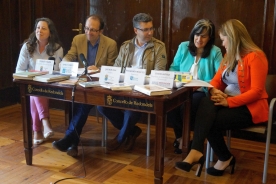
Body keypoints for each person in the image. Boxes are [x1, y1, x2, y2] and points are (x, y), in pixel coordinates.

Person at [175, 19, 268, 177]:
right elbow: (216, 81)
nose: (223, 44)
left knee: (208, 120)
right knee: (206, 102)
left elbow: (257, 92)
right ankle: (198, 151)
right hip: (227, 101)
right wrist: (213, 91)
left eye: (224, 39)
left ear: (233, 38)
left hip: (249, 108)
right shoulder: (229, 56)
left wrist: (228, 101)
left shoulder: (256, 57)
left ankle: (222, 156)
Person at [97, 13, 167, 152]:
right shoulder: (126, 46)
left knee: (131, 107)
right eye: (145, 29)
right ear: (136, 30)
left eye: (151, 29)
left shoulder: (158, 47)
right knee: (102, 105)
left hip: (143, 89)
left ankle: (120, 138)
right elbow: (116, 69)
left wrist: (139, 80)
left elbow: (159, 73)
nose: (150, 32)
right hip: (123, 87)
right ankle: (132, 131)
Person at [52, 14, 118, 157]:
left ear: (101, 31)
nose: (88, 32)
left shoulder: (110, 44)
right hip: (83, 83)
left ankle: (70, 141)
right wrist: (65, 62)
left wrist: (99, 69)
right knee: (79, 102)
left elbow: (113, 67)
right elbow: (70, 55)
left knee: (82, 103)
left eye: (93, 30)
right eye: (87, 28)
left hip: (101, 85)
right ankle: (71, 142)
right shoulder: (78, 39)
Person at [167, 19, 222, 154]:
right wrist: (179, 79)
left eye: (203, 36)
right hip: (181, 87)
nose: (199, 39)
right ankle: (181, 137)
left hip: (201, 91)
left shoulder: (215, 52)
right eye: (197, 35)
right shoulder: (183, 47)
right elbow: (173, 68)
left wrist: (200, 85)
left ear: (210, 38)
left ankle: (188, 139)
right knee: (169, 103)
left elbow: (218, 76)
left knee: (187, 104)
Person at [16, 17, 63, 144]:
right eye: (37, 28)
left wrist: (46, 74)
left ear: (50, 33)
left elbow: (59, 70)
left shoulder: (57, 48)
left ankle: (37, 130)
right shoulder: (27, 46)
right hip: (32, 83)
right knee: (34, 88)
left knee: (34, 90)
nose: (39, 31)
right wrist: (33, 73)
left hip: (50, 84)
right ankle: (45, 122)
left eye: (43, 28)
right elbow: (19, 70)